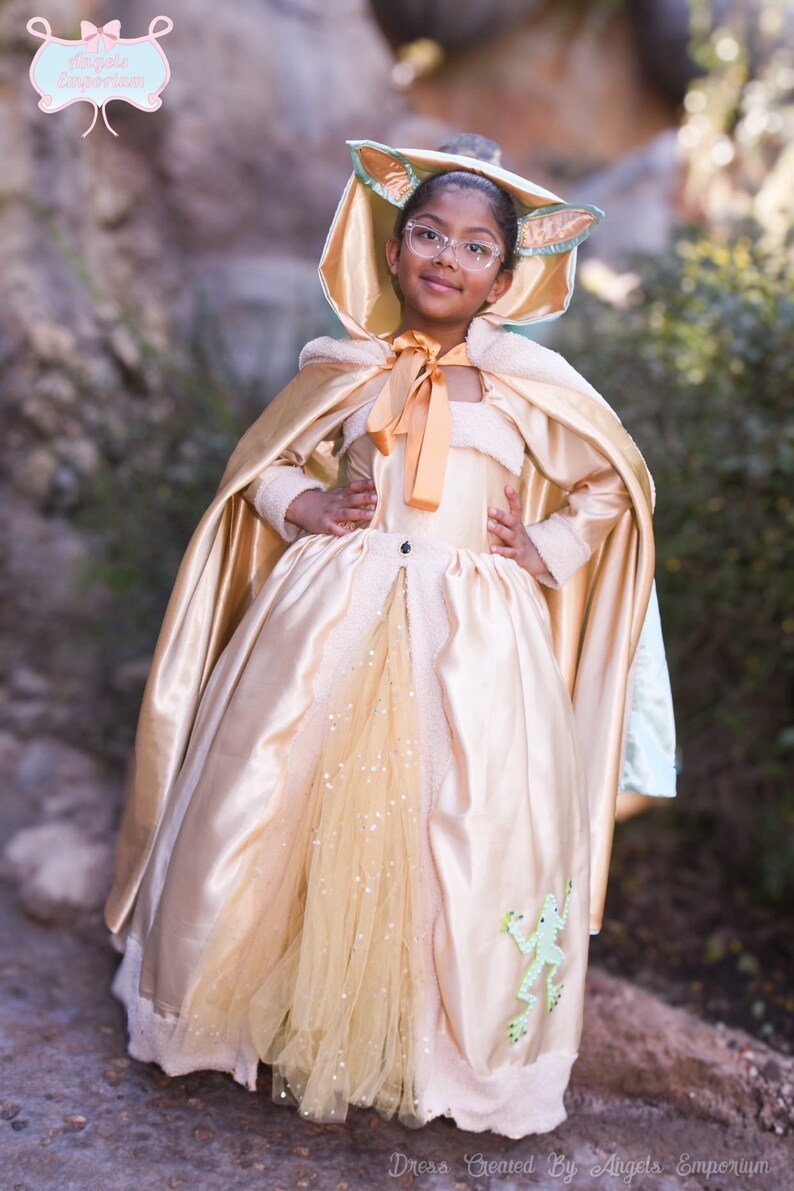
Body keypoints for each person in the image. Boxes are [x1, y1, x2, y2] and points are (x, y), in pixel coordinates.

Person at [105, 136, 677, 1138]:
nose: (445, 258)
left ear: (506, 272)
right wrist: (303, 505)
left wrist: (539, 542)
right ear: (391, 246)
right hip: (337, 606)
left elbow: (611, 491)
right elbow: (259, 468)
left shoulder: (526, 386)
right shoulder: (342, 366)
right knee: (282, 788)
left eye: (472, 246)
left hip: (471, 628)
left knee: (454, 814)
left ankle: (440, 1048)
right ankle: (241, 1008)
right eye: (427, 234)